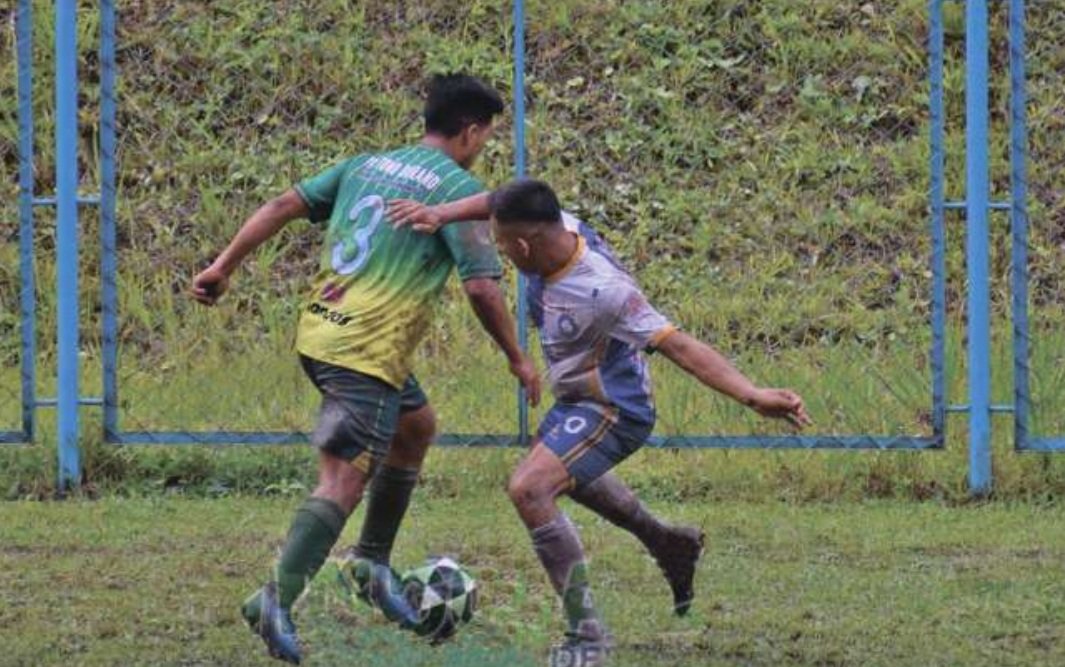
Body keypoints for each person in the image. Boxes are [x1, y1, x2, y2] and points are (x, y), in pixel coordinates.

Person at [191, 74, 540, 665]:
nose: (483, 145)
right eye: (486, 135)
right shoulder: (458, 192)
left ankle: (372, 564)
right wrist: (517, 357)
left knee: (416, 426)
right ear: (471, 130)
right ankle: (276, 599)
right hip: (366, 351)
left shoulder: (367, 164)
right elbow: (482, 288)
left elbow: (281, 204)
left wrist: (224, 267)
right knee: (344, 478)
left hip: (322, 330)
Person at [389, 179, 811, 666]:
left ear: (525, 245)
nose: (501, 252)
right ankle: (668, 542)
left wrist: (751, 394)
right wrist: (441, 213)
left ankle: (588, 639)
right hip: (576, 398)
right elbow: (498, 202)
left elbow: (678, 344)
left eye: (503, 245)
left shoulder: (604, 291)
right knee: (566, 479)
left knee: (531, 489)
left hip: (614, 406)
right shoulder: (555, 228)